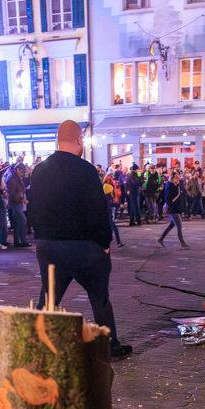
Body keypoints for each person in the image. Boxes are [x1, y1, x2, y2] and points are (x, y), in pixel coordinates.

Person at [28, 120, 131, 359]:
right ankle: (108, 345)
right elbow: (97, 211)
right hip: (82, 246)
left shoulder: (39, 170)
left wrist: (42, 238)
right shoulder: (85, 170)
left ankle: (35, 344)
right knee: (99, 298)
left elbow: (32, 210)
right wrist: (104, 244)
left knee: (49, 297)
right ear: (78, 140)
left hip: (49, 245)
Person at [157, 172, 190, 249]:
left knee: (171, 225)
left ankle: (160, 239)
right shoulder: (169, 186)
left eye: (178, 177)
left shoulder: (177, 186)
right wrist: (172, 204)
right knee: (179, 225)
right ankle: (182, 243)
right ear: (172, 179)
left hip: (176, 208)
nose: (178, 178)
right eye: (176, 177)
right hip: (173, 209)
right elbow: (167, 198)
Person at [6, 163, 31, 248]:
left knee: (17, 222)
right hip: (15, 202)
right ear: (17, 169)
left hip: (17, 202)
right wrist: (22, 200)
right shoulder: (12, 179)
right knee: (22, 219)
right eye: (22, 172)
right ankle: (23, 241)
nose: (22, 174)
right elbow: (12, 194)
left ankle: (17, 242)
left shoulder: (15, 178)